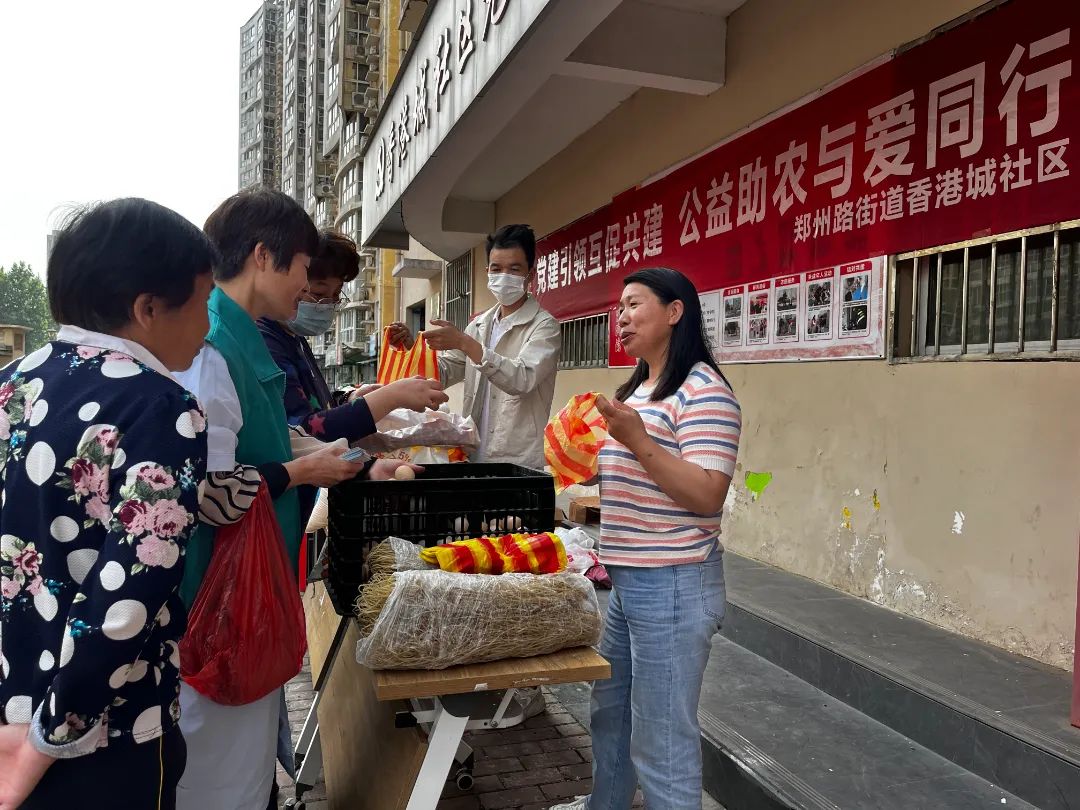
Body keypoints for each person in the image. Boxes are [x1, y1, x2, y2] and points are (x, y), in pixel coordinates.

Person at [173, 190, 417, 810]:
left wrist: (354, 463)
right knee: (220, 772)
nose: (310, 286)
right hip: (216, 594)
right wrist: (303, 468)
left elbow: (277, 431)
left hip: (252, 577)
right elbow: (209, 484)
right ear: (263, 256)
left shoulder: (239, 335)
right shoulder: (209, 344)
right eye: (305, 267)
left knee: (246, 760)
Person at [0, 198, 216, 809]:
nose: (207, 327)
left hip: (9, 702)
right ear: (147, 308)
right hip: (104, 728)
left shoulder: (13, 385)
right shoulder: (160, 407)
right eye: (201, 303)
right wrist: (51, 734)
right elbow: (128, 596)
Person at [551, 267, 741, 810]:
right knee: (611, 714)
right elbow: (640, 472)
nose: (622, 317)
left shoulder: (704, 391)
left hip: (676, 584)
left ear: (675, 311)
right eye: (618, 308)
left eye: (634, 304)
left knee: (662, 739)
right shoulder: (639, 389)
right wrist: (586, 461)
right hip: (629, 582)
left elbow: (706, 493)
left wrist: (633, 440)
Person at [258, 228, 447, 524]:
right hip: (273, 507)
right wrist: (391, 396)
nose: (326, 306)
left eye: (334, 296)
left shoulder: (292, 338)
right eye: (318, 294)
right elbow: (308, 433)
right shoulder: (264, 342)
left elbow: (309, 410)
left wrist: (352, 398)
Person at [387, 224, 561, 472]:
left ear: (530, 274)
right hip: (472, 453)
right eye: (497, 268)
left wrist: (464, 343)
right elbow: (443, 373)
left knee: (514, 513)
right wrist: (411, 348)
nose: (504, 276)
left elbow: (522, 379)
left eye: (514, 269)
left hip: (517, 463)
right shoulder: (478, 326)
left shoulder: (545, 326)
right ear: (487, 272)